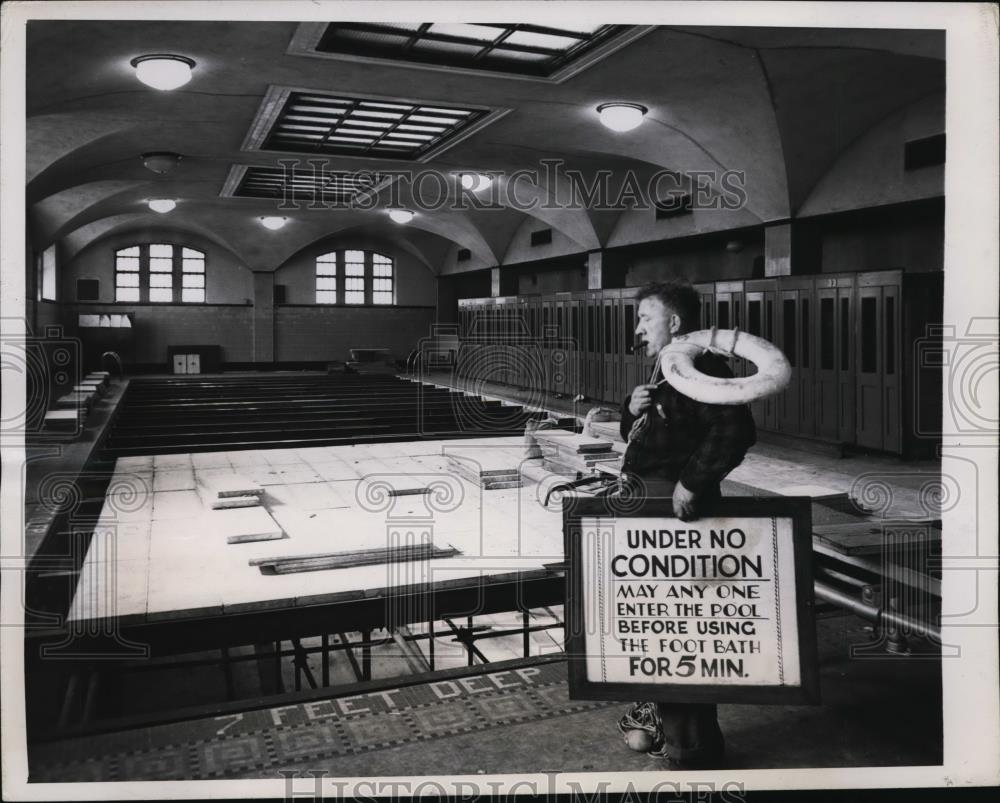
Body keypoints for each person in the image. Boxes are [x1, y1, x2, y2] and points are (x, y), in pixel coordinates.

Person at [616, 280, 756, 769]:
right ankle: (668, 726)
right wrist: (627, 411)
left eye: (644, 318)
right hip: (650, 508)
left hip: (677, 514)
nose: (638, 328)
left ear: (674, 322)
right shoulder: (667, 366)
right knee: (659, 625)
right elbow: (659, 432)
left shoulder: (703, 366)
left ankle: (690, 751)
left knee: (683, 628)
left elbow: (735, 431)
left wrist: (692, 484)